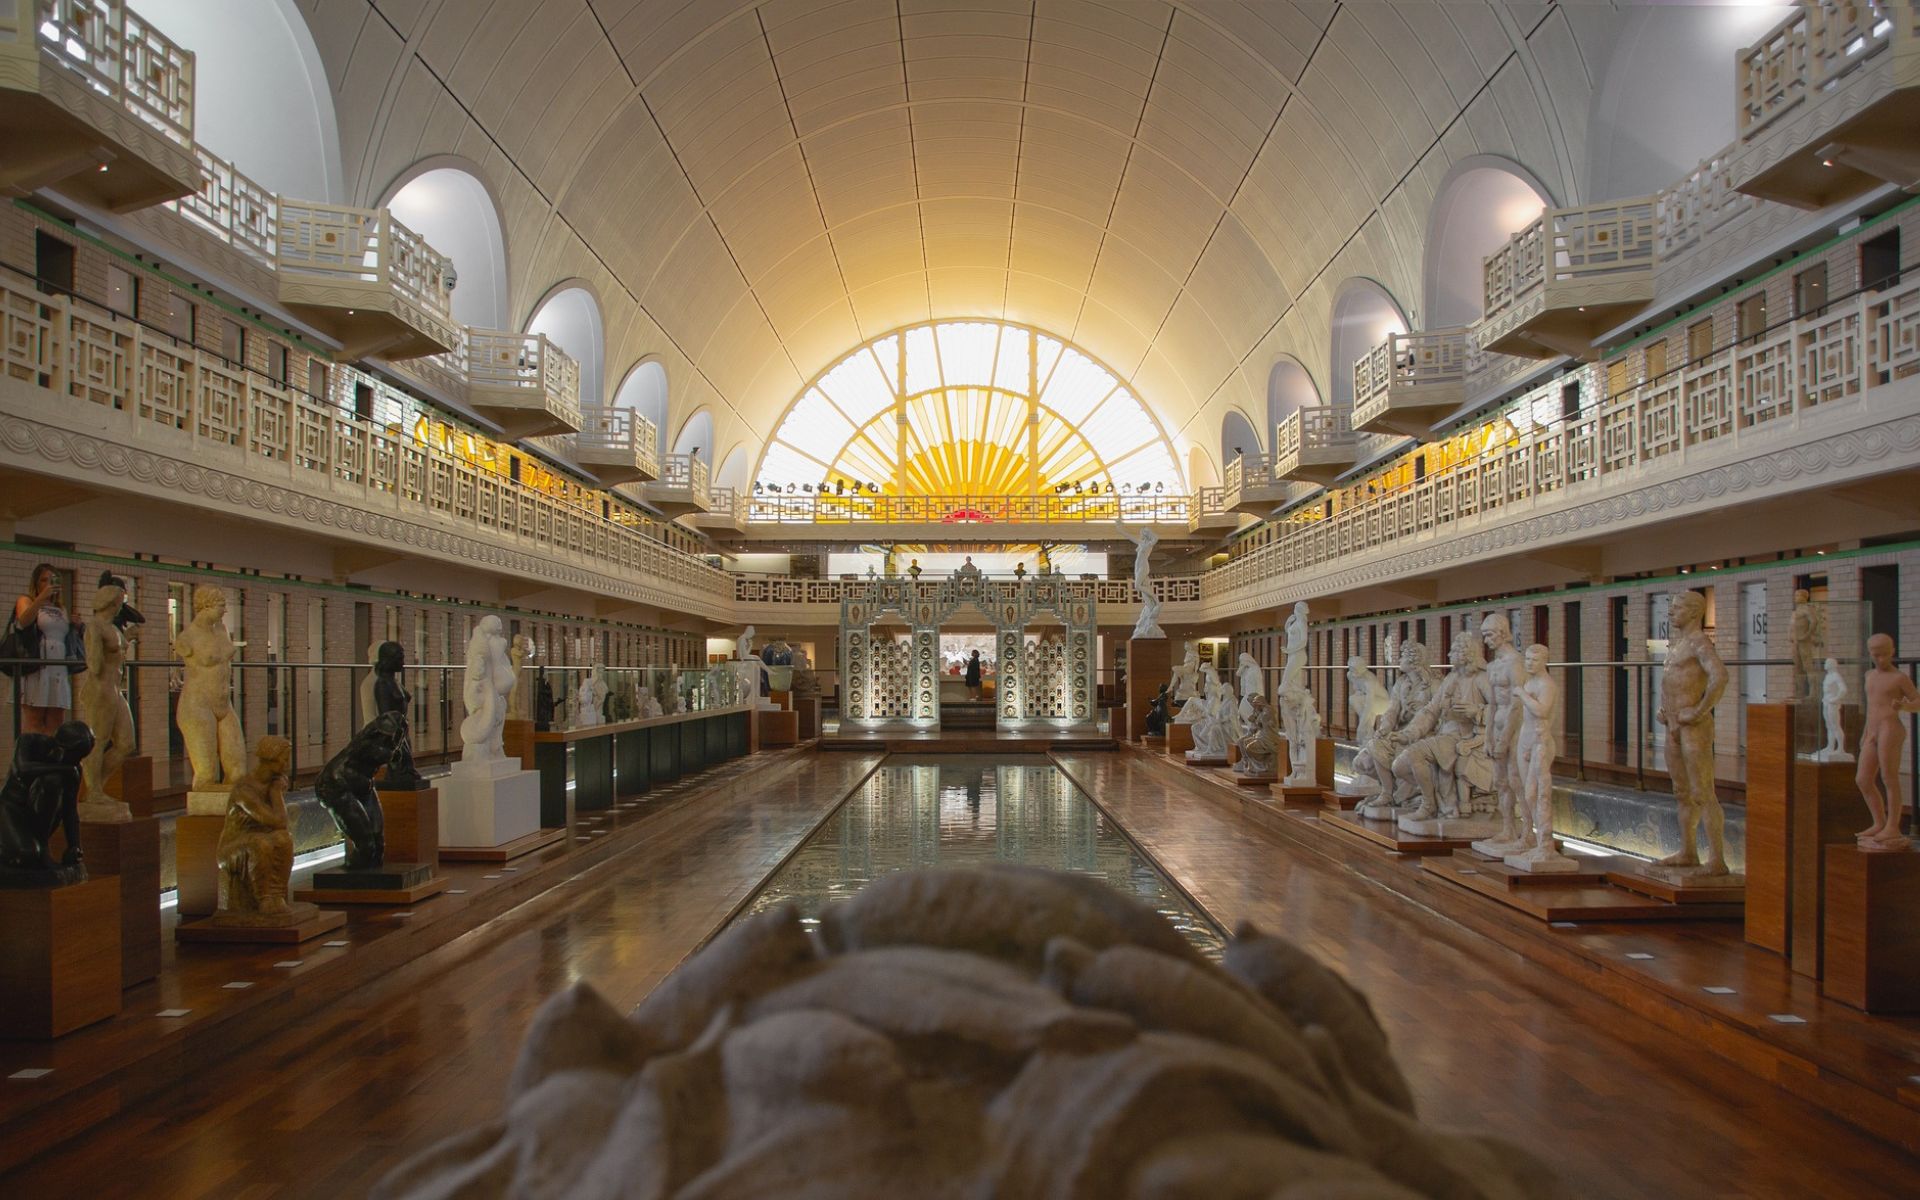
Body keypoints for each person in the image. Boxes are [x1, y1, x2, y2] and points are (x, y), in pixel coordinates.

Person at [11, 563, 77, 736]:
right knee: (34, 720)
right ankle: (31, 758)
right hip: (37, 668)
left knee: (56, 721)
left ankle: (50, 758)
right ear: (36, 583)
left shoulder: (61, 608)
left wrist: (74, 626)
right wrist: (41, 598)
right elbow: (23, 621)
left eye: (52, 580)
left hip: (58, 668)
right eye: (43, 580)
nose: (48, 583)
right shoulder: (26, 600)